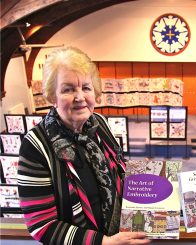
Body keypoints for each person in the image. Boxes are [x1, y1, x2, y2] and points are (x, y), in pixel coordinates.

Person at [17, 47, 150, 245]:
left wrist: (146, 178)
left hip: (121, 236)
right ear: (52, 96)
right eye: (68, 89)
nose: (79, 97)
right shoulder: (35, 146)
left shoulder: (99, 123)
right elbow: (41, 224)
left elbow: (118, 170)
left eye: (86, 87)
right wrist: (103, 243)